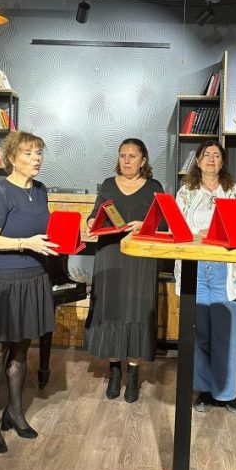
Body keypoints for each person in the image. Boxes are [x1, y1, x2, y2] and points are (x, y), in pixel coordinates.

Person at [0, 131, 58, 453]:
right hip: (3, 280)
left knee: (22, 349)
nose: (36, 159)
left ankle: (15, 412)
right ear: (11, 159)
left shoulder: (40, 190)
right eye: (28, 153)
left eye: (39, 153)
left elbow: (40, 232)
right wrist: (25, 243)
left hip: (34, 276)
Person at [85, 139, 163, 403]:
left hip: (141, 258)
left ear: (143, 160)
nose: (126, 160)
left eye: (132, 156)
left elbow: (165, 223)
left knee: (137, 311)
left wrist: (145, 224)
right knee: (112, 310)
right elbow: (95, 214)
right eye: (122, 155)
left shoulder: (154, 187)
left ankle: (133, 373)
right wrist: (91, 222)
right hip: (110, 255)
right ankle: (114, 372)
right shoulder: (108, 185)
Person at [175, 139, 236, 416]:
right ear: (198, 160)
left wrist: (214, 234)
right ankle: (204, 390)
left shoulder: (234, 192)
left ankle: (227, 394)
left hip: (224, 270)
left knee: (226, 335)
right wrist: (200, 235)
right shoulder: (186, 192)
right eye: (207, 154)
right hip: (194, 267)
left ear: (222, 162)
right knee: (199, 332)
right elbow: (177, 229)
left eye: (217, 155)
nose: (211, 159)